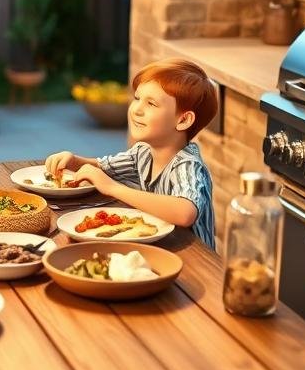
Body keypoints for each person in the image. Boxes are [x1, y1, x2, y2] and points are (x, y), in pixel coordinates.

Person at [45, 59, 218, 250]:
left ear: (184, 120)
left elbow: (185, 212)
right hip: (157, 247)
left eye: (151, 103)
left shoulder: (188, 165)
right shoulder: (142, 153)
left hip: (194, 262)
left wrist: (112, 188)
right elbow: (103, 167)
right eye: (137, 98)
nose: (136, 109)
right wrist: (74, 161)